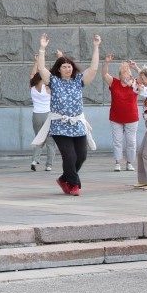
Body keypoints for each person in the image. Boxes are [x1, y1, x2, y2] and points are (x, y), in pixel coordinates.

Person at [33, 33, 100, 197]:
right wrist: (42, 48)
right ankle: (74, 184)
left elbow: (94, 69)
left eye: (69, 66)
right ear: (59, 69)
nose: (67, 68)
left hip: (77, 124)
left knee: (81, 156)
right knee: (69, 157)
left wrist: (96, 47)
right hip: (59, 126)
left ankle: (64, 179)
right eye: (64, 66)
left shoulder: (79, 81)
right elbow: (41, 68)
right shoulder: (53, 81)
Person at [102, 53, 139, 173]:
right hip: (116, 118)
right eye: (124, 72)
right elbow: (104, 74)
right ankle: (117, 162)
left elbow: (146, 78)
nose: (126, 74)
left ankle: (129, 163)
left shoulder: (134, 84)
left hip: (132, 118)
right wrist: (107, 62)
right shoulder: (114, 82)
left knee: (131, 142)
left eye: (128, 72)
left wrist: (136, 67)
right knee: (117, 141)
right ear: (120, 74)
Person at [28, 61, 56, 172]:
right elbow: (53, 77)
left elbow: (32, 74)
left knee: (38, 139)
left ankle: (34, 160)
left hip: (36, 115)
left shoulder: (33, 86)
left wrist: (36, 62)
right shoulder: (48, 87)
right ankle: (49, 165)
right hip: (48, 115)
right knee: (50, 142)